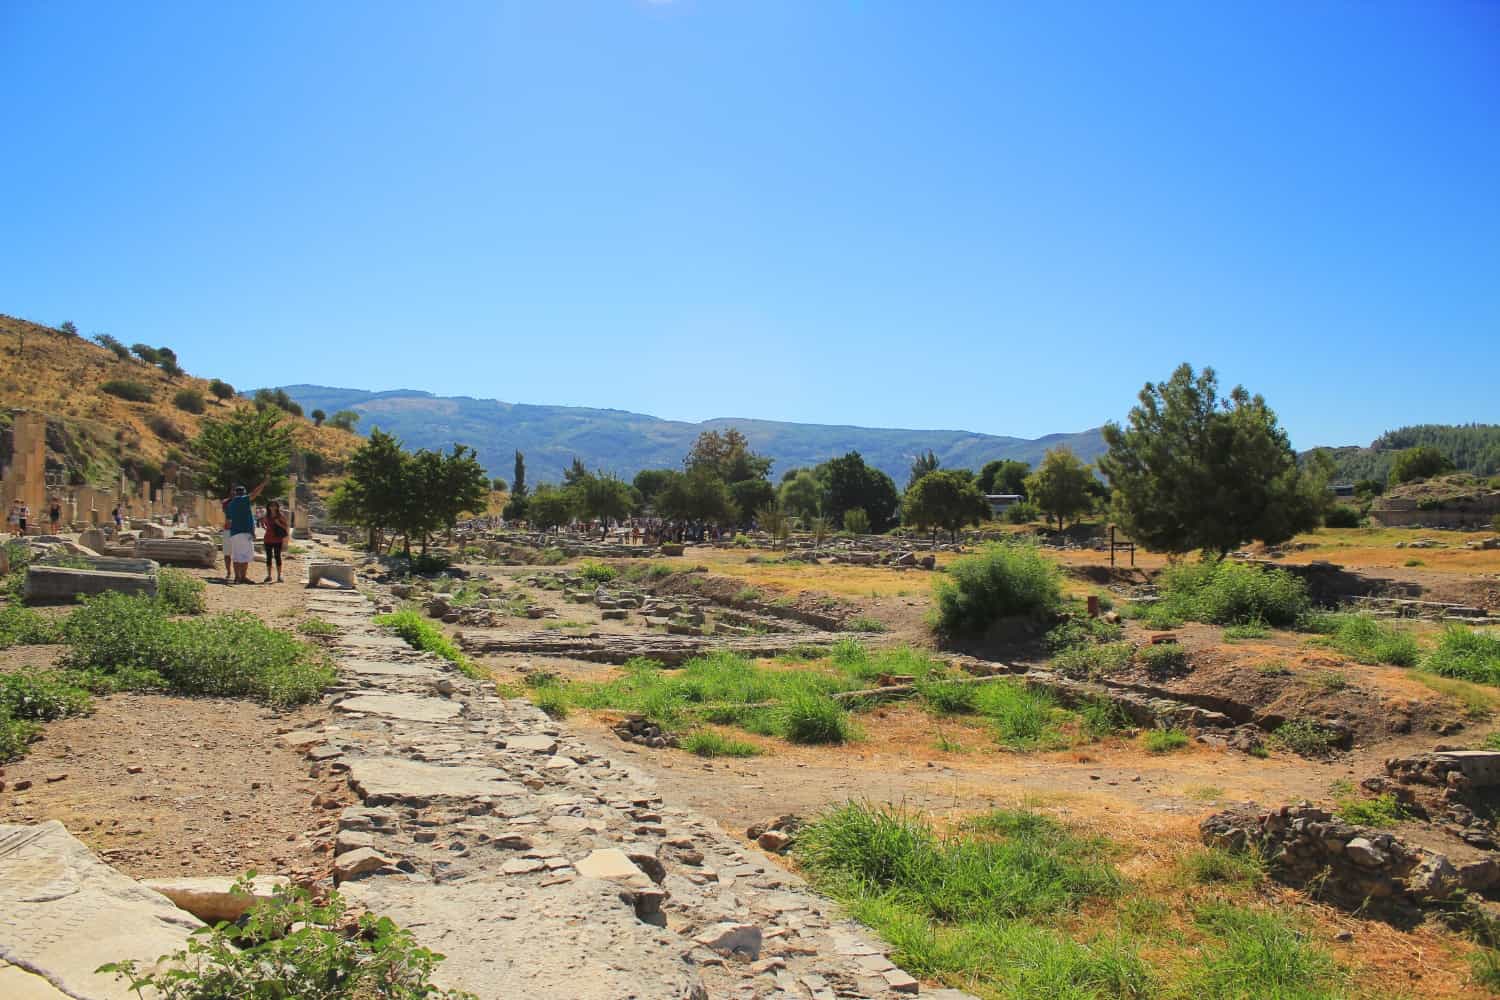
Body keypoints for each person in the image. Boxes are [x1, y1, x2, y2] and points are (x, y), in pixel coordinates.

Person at [221, 480, 267, 584]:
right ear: (244, 493)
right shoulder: (243, 500)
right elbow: (255, 493)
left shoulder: (230, 505)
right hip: (245, 532)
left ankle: (237, 577)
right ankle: (243, 577)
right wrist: (263, 484)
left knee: (237, 556)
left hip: (234, 532)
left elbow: (228, 521)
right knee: (245, 555)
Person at [260, 500, 290, 583]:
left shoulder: (280, 516)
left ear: (277, 507)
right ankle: (269, 576)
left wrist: (278, 523)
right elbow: (263, 524)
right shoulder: (266, 516)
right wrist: (266, 528)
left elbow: (286, 526)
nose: (273, 507)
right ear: (268, 507)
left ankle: (279, 576)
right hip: (268, 538)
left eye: (274, 505)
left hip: (277, 539)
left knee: (277, 557)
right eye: (271, 506)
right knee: (268, 557)